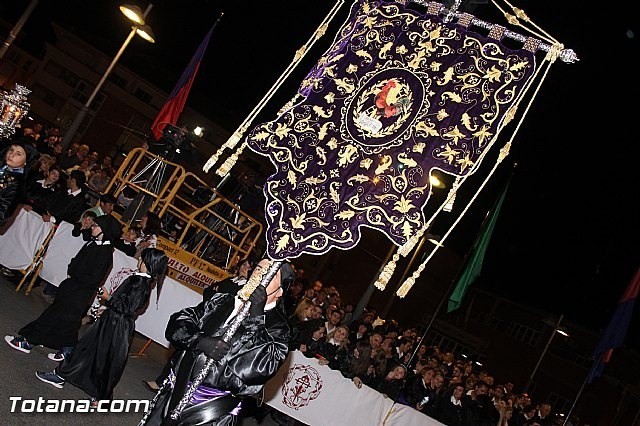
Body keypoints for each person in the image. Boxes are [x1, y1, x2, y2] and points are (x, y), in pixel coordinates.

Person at [139, 258, 293, 425]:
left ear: (280, 291)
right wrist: (200, 341)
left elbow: (260, 368)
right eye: (258, 268)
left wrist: (256, 319)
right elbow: (178, 323)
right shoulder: (223, 300)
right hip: (174, 392)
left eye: (269, 273)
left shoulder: (279, 328)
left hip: (210, 411)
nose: (259, 275)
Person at [35, 248, 168, 405]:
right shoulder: (140, 280)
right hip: (113, 321)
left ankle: (97, 395)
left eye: (142, 259)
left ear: (148, 264)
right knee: (90, 351)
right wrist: (107, 307)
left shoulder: (141, 283)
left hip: (116, 326)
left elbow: (127, 307)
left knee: (103, 359)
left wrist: (108, 298)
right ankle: (65, 376)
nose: (139, 261)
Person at [5, 215, 122, 360]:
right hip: (73, 287)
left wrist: (75, 276)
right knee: (66, 322)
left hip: (78, 292)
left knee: (54, 316)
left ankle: (29, 341)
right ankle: (67, 348)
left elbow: (93, 278)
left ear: (104, 230)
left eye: (96, 226)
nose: (93, 227)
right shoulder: (94, 243)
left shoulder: (104, 252)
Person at [0, 140, 38, 228]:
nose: (11, 154)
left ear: (26, 161)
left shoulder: (17, 184)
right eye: (11, 150)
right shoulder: (3, 167)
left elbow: (3, 215)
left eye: (18, 154)